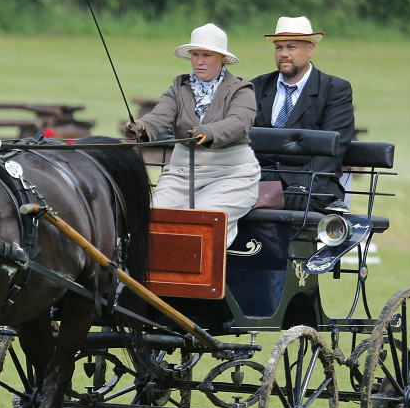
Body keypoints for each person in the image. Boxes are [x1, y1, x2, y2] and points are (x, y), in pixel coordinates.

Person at [124, 23, 260, 248]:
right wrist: (141, 127)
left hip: (230, 174)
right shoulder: (178, 88)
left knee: (203, 219)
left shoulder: (241, 90)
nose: (199, 61)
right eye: (195, 54)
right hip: (181, 173)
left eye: (207, 55)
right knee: (155, 216)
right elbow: (160, 115)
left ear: (222, 58)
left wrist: (210, 132)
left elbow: (240, 122)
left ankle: (200, 279)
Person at [250, 16, 354, 213]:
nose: (283, 54)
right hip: (259, 183)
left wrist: (302, 184)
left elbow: (334, 147)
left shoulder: (334, 90)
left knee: (293, 206)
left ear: (311, 48)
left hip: (312, 185)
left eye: (291, 47)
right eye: (278, 48)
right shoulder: (256, 86)